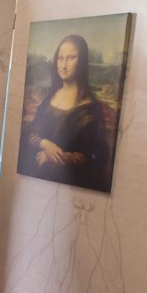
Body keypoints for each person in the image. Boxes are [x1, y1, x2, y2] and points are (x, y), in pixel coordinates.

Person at [18, 34, 111, 191]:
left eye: (71, 57)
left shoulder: (89, 108)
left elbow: (93, 156)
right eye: (60, 58)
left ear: (82, 61)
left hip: (69, 186)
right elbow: (31, 132)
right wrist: (45, 144)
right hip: (34, 183)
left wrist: (57, 157)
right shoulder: (49, 98)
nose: (64, 64)